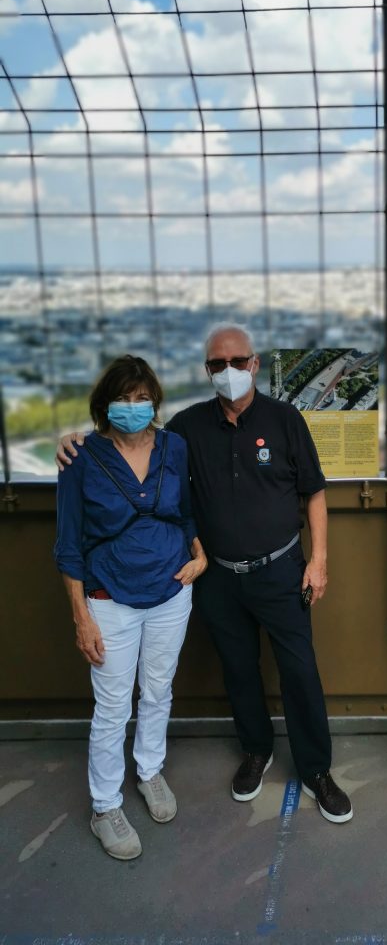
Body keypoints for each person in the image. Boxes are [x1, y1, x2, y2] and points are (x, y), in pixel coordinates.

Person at [58, 324, 352, 824]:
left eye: (238, 361)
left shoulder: (285, 420)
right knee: (238, 670)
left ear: (255, 364)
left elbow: (314, 492)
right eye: (218, 364)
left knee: (300, 671)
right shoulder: (186, 430)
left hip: (281, 571)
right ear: (207, 370)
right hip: (218, 578)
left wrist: (318, 561)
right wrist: (74, 440)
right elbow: (131, 444)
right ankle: (256, 750)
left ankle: (316, 770)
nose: (229, 371)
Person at [55, 356, 208, 861]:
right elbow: (68, 545)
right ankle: (105, 806)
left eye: (142, 399)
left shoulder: (174, 447)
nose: (133, 407)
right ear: (105, 405)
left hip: (172, 592)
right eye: (123, 398)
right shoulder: (80, 457)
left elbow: (185, 512)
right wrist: (81, 617)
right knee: (113, 707)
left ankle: (149, 770)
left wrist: (199, 553)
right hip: (109, 600)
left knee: (159, 689)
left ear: (155, 403)